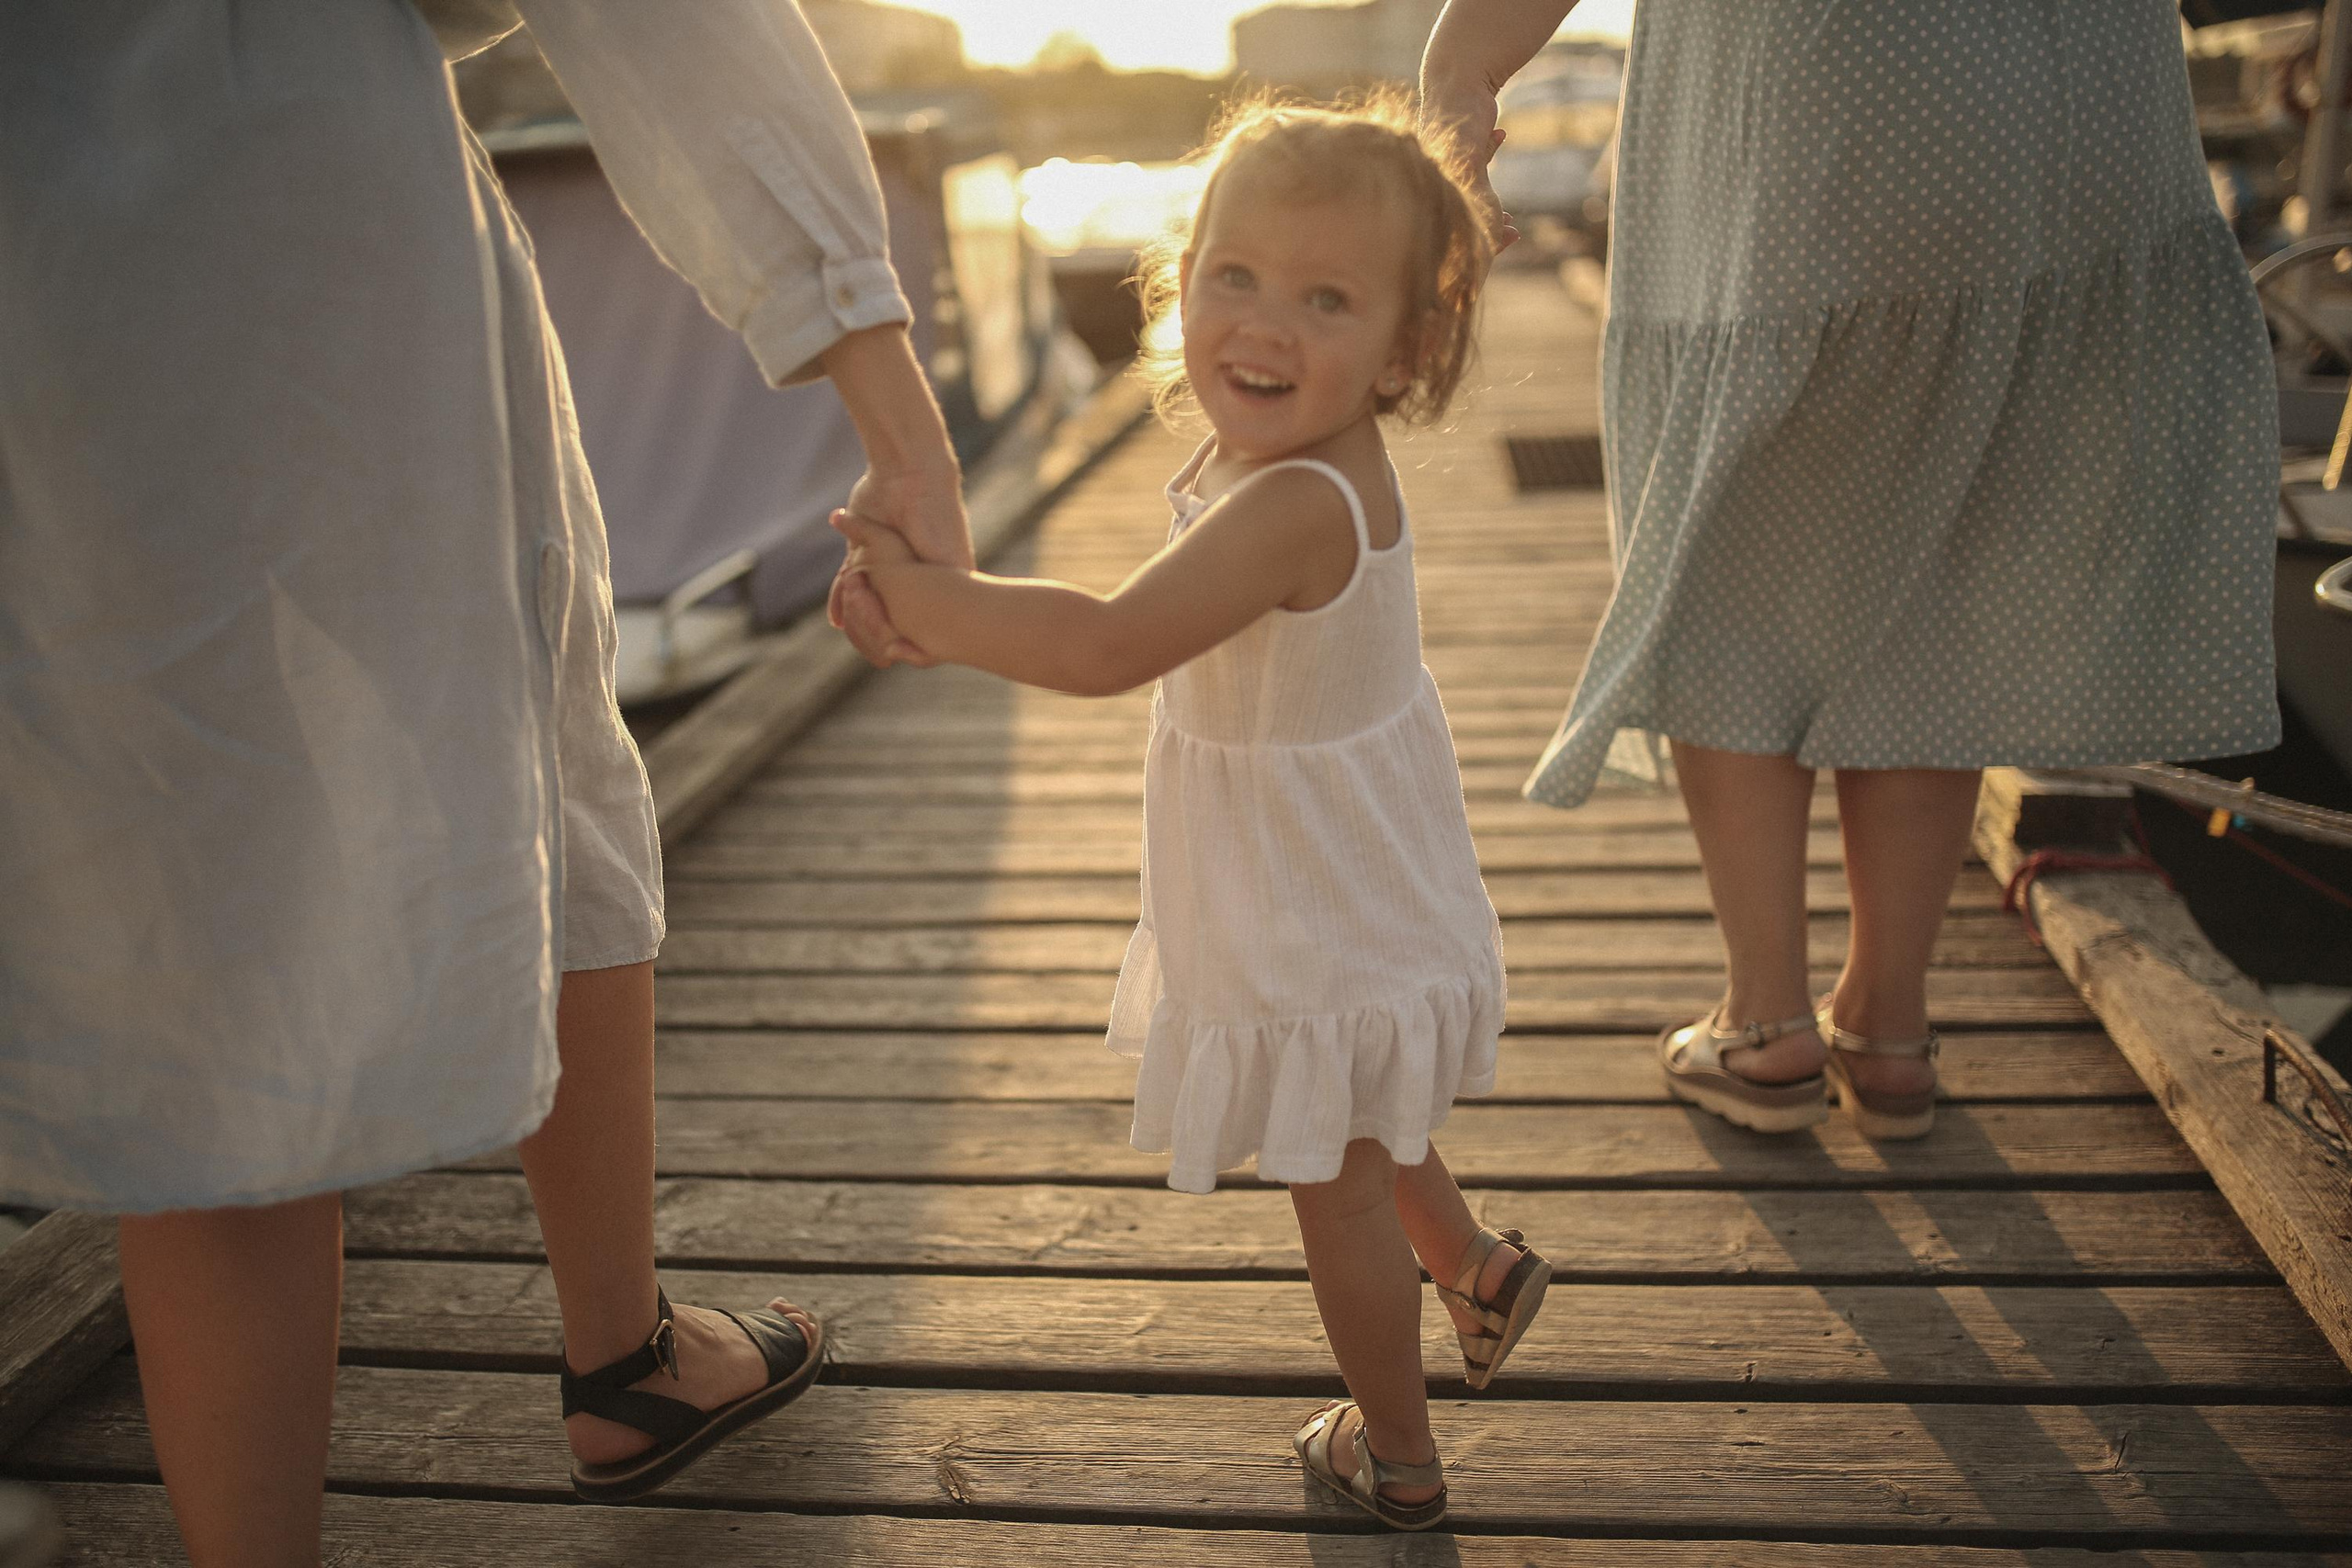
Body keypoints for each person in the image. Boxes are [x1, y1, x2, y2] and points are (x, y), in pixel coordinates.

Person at [0, 4, 968, 1562]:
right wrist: (879, 377)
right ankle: (624, 1356)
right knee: (526, 742)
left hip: (35, 272)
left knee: (187, 921)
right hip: (298, 198)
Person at [831, 96, 1553, 1533]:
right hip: (1349, 863)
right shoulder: (1294, 462)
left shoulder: (1295, 502)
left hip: (1307, 888)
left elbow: (1106, 645)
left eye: (1326, 297)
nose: (1265, 324)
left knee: (1331, 1172)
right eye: (1235, 276)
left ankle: (1398, 1448)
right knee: (1359, 1090)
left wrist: (935, 609)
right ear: (1178, 282)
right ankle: (1474, 1265)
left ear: (1408, 349)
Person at [1420, 1, 2280, 1137]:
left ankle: (1765, 1022)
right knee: (1940, 576)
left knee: (1730, 572)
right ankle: (1886, 1029)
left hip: (1804, 96)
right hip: (2055, 126)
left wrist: (1464, 59)